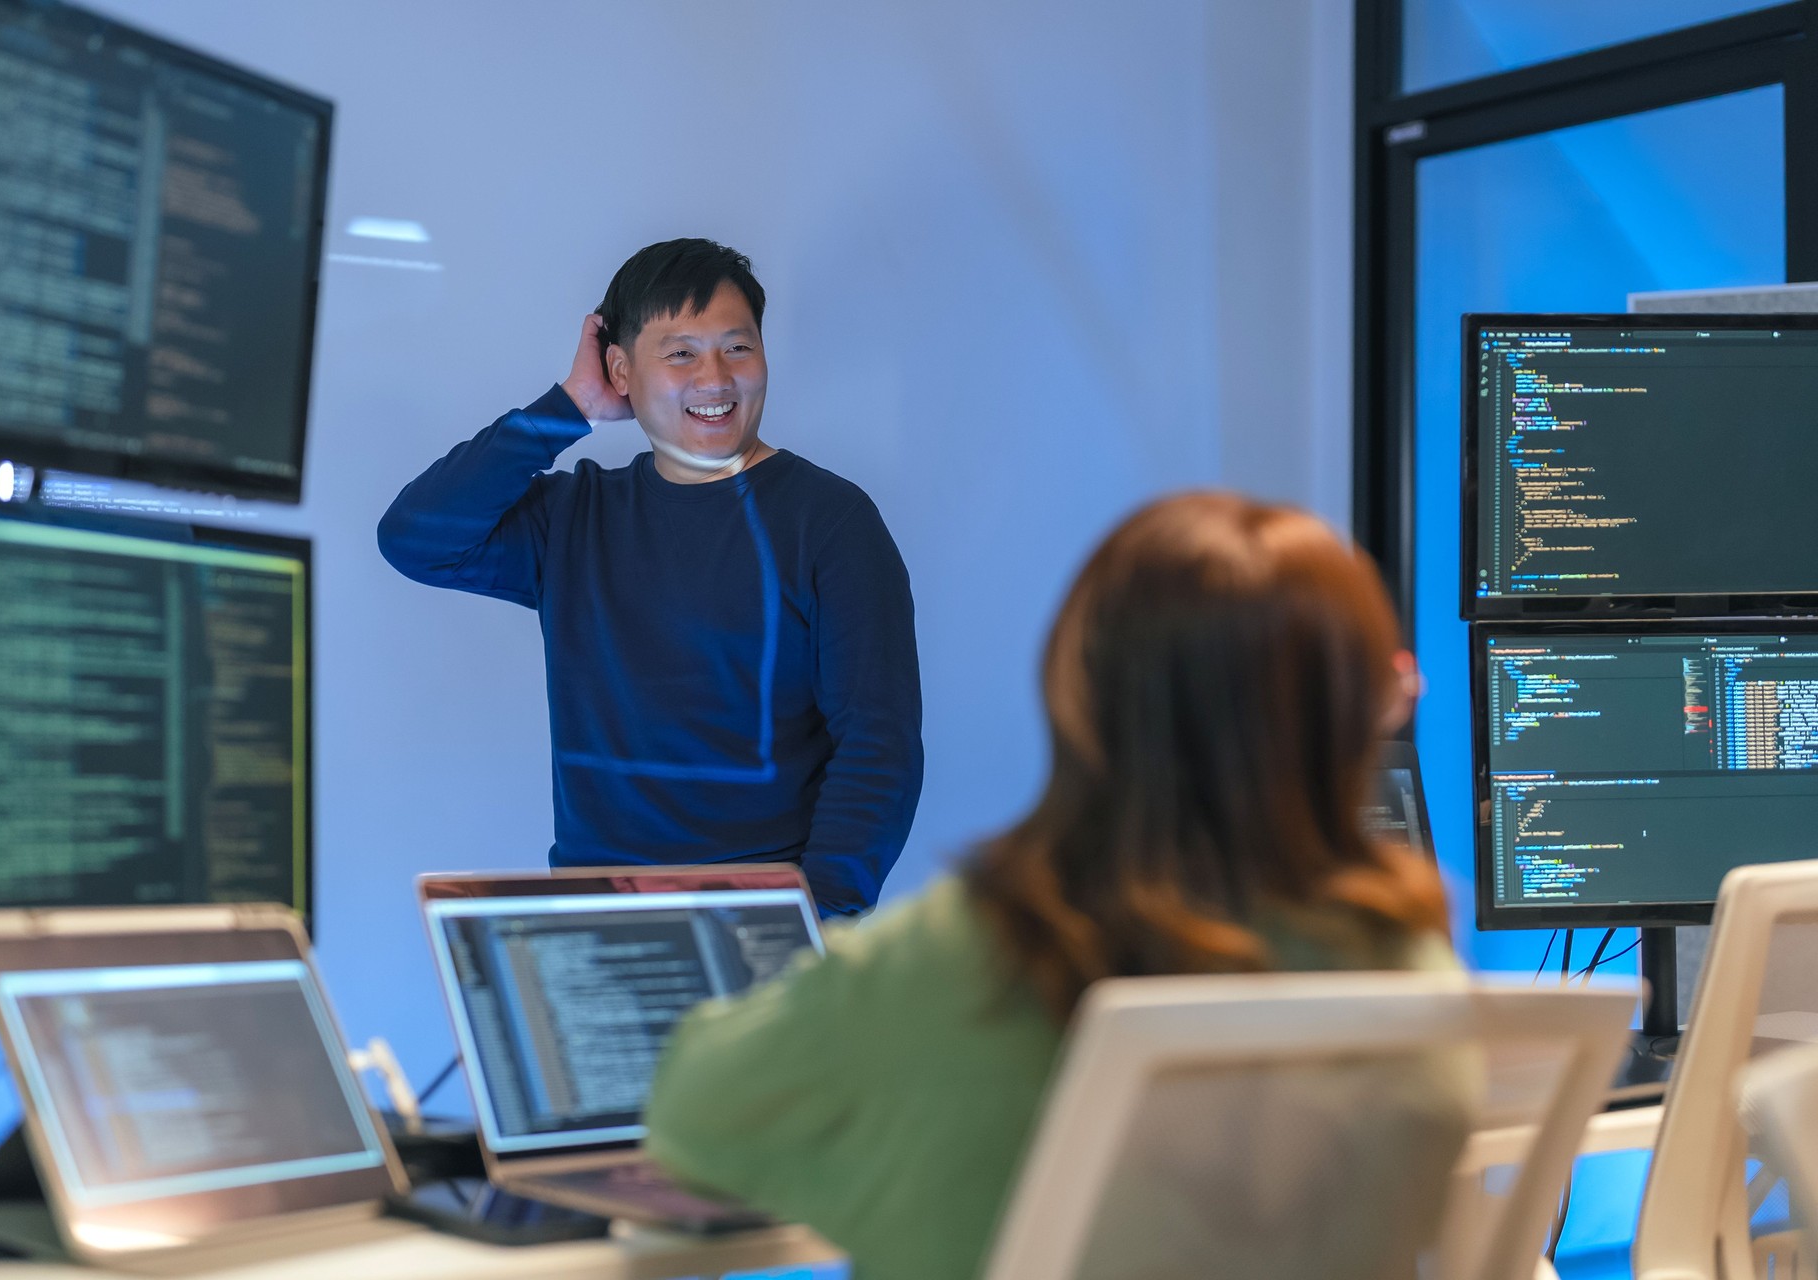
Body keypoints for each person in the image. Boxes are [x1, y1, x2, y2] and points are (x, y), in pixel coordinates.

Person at [644, 491, 1463, 1278]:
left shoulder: (951, 962)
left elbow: (692, 1116)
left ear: (1079, 697)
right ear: (1357, 718)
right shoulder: (1410, 976)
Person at [377, 239, 922, 916]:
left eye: (738, 347)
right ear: (621, 370)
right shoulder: (576, 517)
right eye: (681, 353)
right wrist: (569, 406)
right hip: (592, 921)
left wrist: (824, 917)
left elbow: (878, 742)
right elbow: (415, 538)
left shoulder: (831, 521)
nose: (716, 379)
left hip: (767, 921)